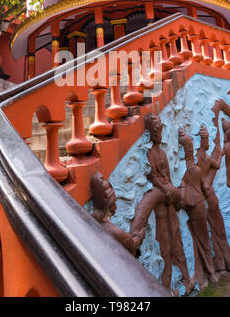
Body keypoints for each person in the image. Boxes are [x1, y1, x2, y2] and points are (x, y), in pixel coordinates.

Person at [130, 114, 194, 294]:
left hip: (169, 202)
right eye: (157, 131)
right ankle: (165, 287)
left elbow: (168, 178)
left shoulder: (162, 153)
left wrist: (171, 191)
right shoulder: (149, 153)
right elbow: (152, 177)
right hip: (160, 205)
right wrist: (165, 190)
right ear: (151, 132)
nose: (160, 134)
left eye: (161, 130)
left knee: (177, 240)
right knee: (165, 247)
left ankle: (186, 279)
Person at [196, 120, 230, 274]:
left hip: (202, 200)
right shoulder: (205, 158)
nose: (207, 143)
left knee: (214, 232)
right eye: (206, 140)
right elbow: (217, 165)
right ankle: (228, 262)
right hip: (210, 198)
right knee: (219, 231)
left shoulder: (195, 160)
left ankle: (222, 264)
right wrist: (220, 153)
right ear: (203, 142)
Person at [178, 128, 218, 290]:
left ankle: (204, 275)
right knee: (202, 238)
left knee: (198, 239)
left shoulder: (182, 172)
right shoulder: (196, 170)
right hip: (200, 206)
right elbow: (205, 188)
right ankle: (209, 273)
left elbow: (181, 196)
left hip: (192, 208)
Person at [90, 171, 144, 256]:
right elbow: (132, 244)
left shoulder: (92, 219)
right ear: (111, 204)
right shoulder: (115, 232)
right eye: (115, 201)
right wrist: (140, 237)